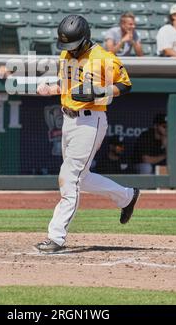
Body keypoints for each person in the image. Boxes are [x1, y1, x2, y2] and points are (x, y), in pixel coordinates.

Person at [35, 14, 140, 253]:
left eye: (73, 45)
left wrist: (98, 92)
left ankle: (56, 237)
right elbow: (66, 85)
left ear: (85, 38)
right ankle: (126, 196)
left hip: (90, 121)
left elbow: (126, 85)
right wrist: (50, 88)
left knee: (69, 176)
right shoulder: (66, 55)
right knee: (81, 177)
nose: (69, 50)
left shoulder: (104, 58)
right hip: (69, 120)